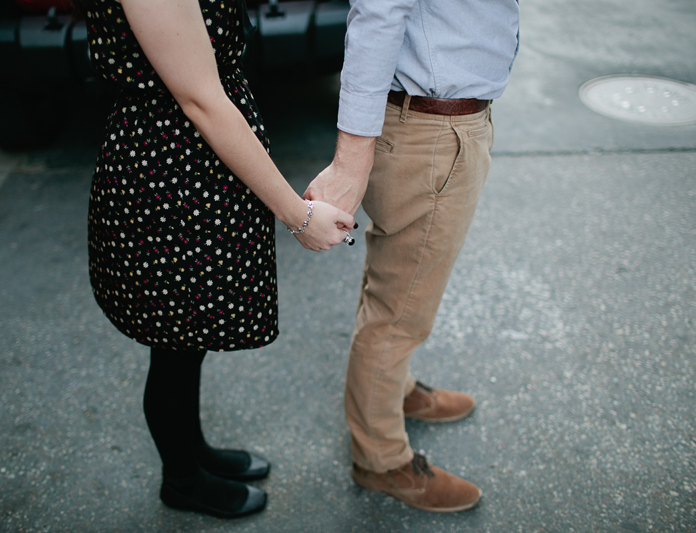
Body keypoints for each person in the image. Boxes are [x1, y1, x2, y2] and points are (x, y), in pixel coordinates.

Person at [71, 0, 355, 520]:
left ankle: (192, 451)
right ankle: (181, 479)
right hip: (171, 182)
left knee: (184, 342)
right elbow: (200, 97)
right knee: (175, 345)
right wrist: (297, 215)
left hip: (194, 171)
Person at [304, 0, 520, 513]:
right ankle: (380, 460)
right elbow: (378, 12)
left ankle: (392, 388)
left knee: (394, 285)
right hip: (432, 131)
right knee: (399, 315)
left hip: (433, 123)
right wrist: (351, 160)